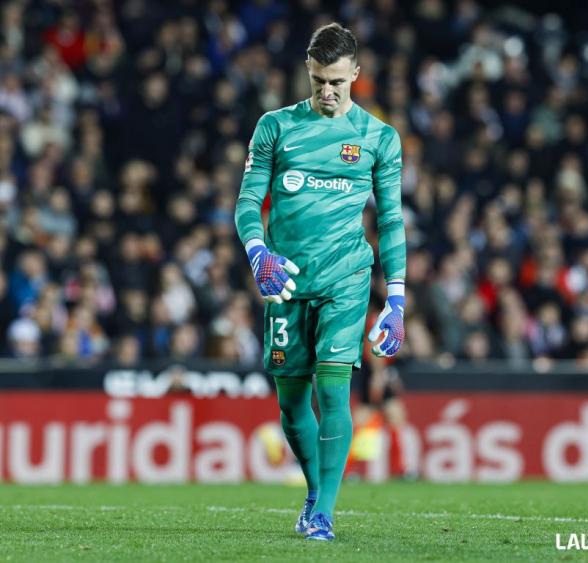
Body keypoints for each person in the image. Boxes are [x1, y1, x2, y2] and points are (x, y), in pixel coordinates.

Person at [234, 23, 406, 541]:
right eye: (317, 82)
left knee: (335, 393)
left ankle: (323, 513)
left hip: (346, 279)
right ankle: (314, 492)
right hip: (284, 283)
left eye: (336, 81)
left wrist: (395, 300)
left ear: (355, 73)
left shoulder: (379, 138)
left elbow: (392, 221)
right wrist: (258, 250)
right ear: (307, 76)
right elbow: (247, 203)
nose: (327, 92)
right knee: (290, 406)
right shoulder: (275, 128)